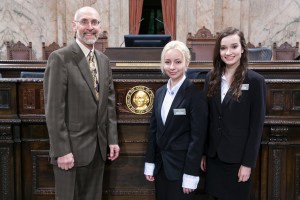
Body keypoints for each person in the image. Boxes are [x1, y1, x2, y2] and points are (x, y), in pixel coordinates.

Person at [43, 6, 120, 200]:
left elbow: (108, 104)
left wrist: (112, 139)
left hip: (98, 150)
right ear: (74, 26)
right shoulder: (60, 58)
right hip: (71, 152)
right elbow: (54, 111)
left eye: (94, 22)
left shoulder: (103, 61)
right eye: (84, 21)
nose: (90, 27)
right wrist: (62, 151)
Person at [200, 27, 266, 200]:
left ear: (243, 49)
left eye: (234, 46)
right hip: (214, 157)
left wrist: (247, 163)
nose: (228, 52)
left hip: (238, 159)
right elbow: (208, 119)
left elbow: (256, 127)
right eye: (223, 48)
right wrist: (204, 153)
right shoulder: (211, 78)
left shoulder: (255, 81)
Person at [144, 40, 208, 200]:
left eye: (177, 62)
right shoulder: (159, 93)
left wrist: (190, 174)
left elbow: (197, 139)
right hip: (161, 168)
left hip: (182, 170)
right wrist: (150, 164)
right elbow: (153, 131)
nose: (172, 67)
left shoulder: (195, 95)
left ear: (186, 63)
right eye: (168, 62)